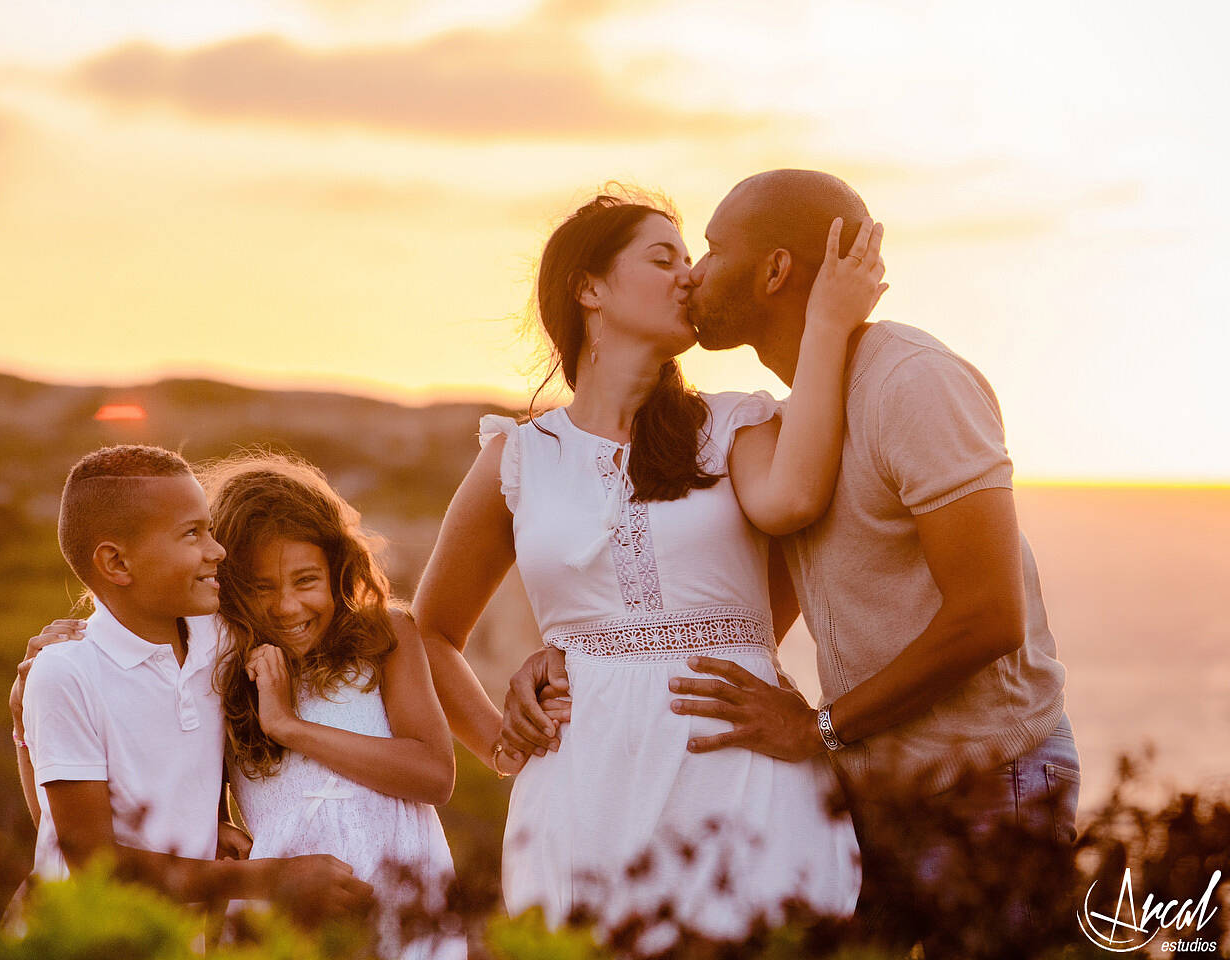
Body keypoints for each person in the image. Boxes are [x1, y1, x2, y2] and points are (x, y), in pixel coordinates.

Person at [510, 171, 1078, 953]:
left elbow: (990, 616)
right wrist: (579, 656)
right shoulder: (786, 422)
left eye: (710, 249)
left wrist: (821, 726)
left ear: (775, 271)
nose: (695, 273)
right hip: (879, 790)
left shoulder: (912, 381)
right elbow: (741, 600)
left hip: (988, 780)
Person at [412, 191, 886, 946]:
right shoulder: (519, 458)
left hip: (736, 767)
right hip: (583, 790)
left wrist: (829, 322)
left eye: (689, 259)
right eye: (663, 258)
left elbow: (794, 497)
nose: (688, 277)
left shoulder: (732, 424)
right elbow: (429, 631)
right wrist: (502, 747)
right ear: (588, 288)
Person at [17, 444, 372, 926]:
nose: (217, 550)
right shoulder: (67, 672)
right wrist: (271, 880)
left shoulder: (219, 641)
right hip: (85, 940)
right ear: (117, 564)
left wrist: (209, 825)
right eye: (192, 534)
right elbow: (92, 864)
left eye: (210, 529)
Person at [203, 452, 464, 960]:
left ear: (337, 568)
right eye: (261, 589)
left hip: (402, 905)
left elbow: (435, 775)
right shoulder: (220, 665)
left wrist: (289, 726)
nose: (287, 607)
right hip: (290, 912)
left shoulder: (385, 637)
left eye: (305, 580)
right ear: (231, 588)